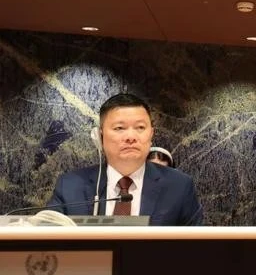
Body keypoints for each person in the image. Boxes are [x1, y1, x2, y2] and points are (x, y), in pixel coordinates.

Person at [47, 93, 203, 226]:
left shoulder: (179, 186)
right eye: (119, 128)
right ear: (100, 136)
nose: (131, 137)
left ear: (151, 134)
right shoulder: (70, 186)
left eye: (140, 128)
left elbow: (196, 249)